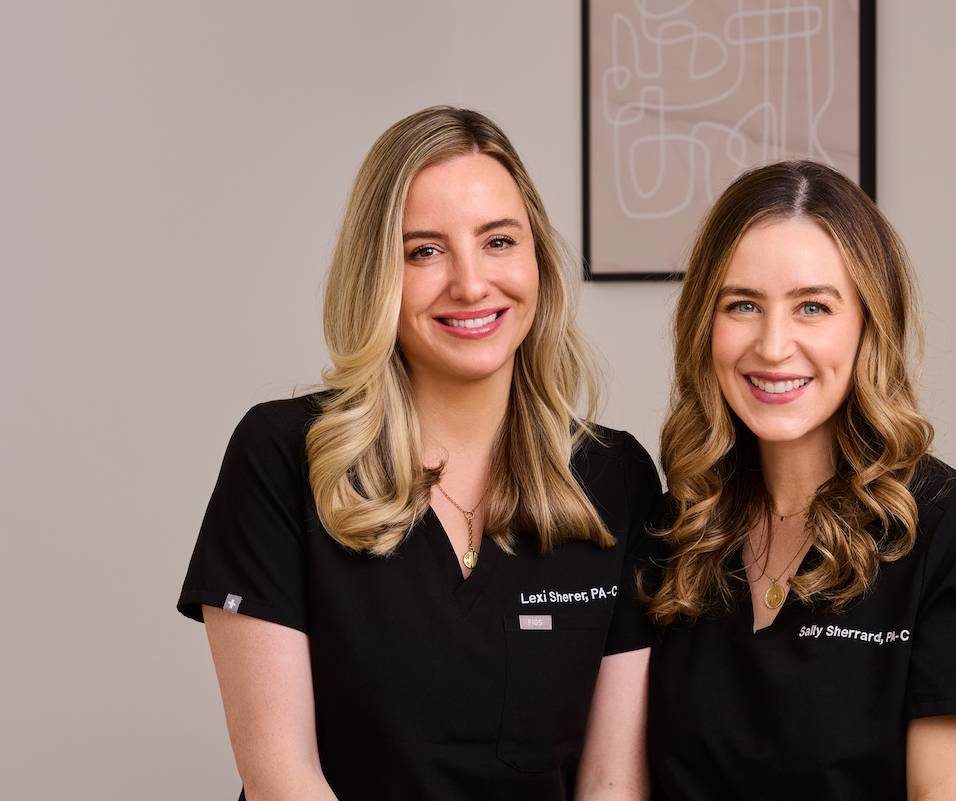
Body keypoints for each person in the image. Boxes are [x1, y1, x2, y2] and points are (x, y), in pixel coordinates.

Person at [177, 106, 658, 801]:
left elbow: (612, 783)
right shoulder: (283, 455)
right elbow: (281, 776)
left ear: (537, 260)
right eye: (423, 250)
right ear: (379, 276)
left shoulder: (615, 478)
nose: (469, 283)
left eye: (498, 241)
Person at [643, 161, 956, 800]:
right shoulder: (675, 530)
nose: (773, 346)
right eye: (742, 305)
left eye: (813, 307)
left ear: (868, 327)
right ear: (703, 327)